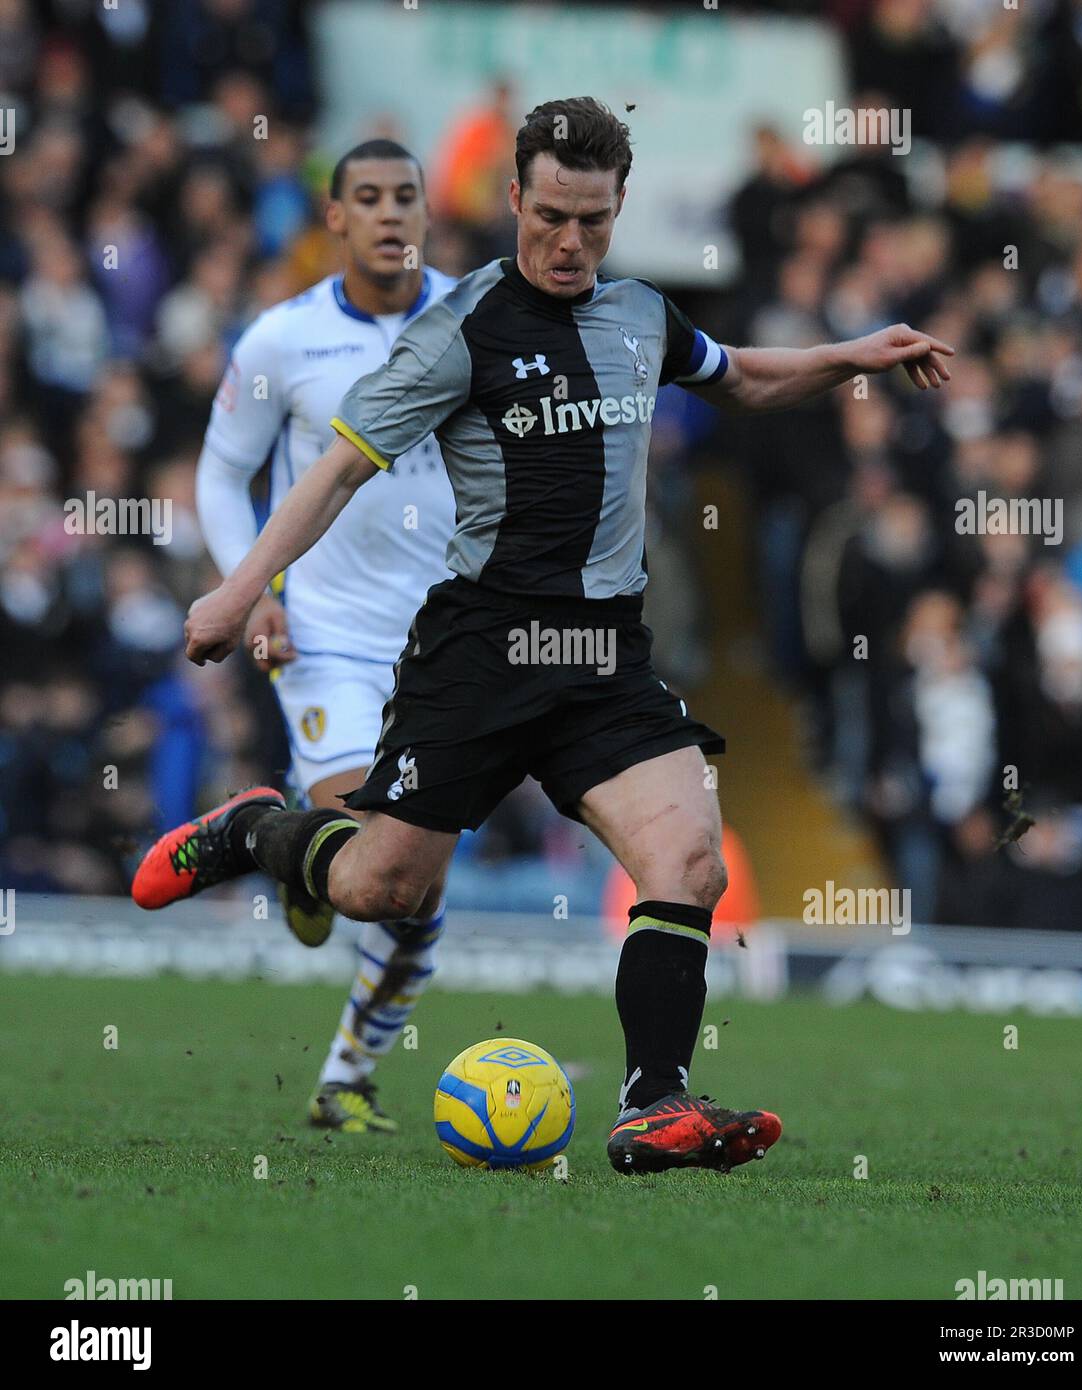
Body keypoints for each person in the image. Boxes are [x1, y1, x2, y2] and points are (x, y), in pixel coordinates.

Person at [134, 98, 953, 1176]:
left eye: (594, 221)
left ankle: (650, 1102)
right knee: (383, 889)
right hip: (480, 647)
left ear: (618, 211)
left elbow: (740, 376)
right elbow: (335, 465)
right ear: (514, 197)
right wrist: (243, 590)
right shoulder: (460, 328)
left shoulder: (640, 317)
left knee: (689, 861)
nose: (569, 243)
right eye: (551, 216)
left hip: (602, 655)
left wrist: (851, 352)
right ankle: (255, 832)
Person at [193, 138, 460, 1135]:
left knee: (406, 887)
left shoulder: (471, 319)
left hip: (448, 649)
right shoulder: (280, 341)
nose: (390, 214)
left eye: (407, 196)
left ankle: (345, 1071)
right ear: (334, 219)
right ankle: (291, 839)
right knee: (379, 859)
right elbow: (222, 475)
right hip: (328, 640)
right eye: (368, 198)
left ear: (427, 213)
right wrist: (249, 589)